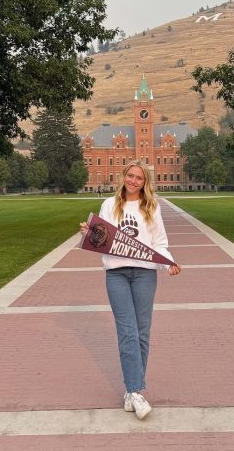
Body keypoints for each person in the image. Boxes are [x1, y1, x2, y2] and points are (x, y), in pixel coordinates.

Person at [80, 160, 180, 420]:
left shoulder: (152, 206)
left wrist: (168, 261)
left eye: (139, 178)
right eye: (130, 175)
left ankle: (131, 392)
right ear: (123, 176)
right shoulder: (109, 205)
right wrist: (88, 233)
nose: (133, 181)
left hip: (145, 274)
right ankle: (136, 390)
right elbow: (100, 237)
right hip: (116, 273)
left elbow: (159, 241)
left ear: (145, 182)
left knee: (142, 332)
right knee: (127, 332)